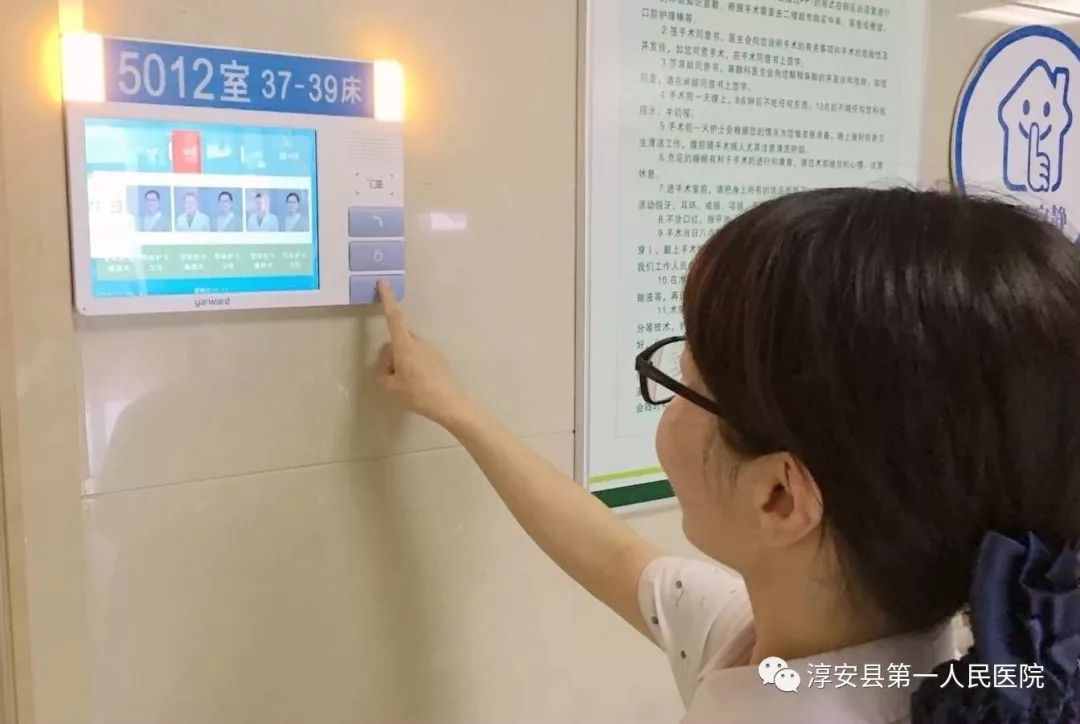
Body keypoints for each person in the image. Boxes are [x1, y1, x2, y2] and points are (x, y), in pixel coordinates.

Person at [373, 188, 1080, 723]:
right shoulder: (806, 648)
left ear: (779, 496)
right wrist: (455, 408)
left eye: (686, 381)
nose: (668, 398)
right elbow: (615, 558)